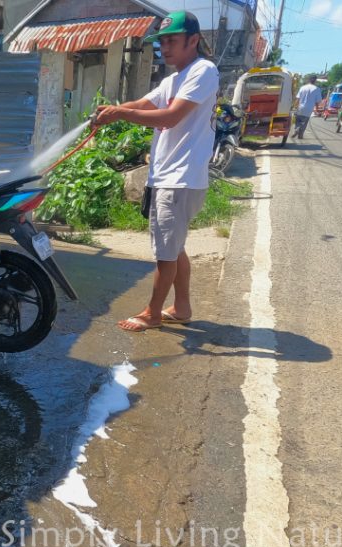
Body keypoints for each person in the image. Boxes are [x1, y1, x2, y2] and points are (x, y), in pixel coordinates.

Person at [93, 11, 219, 332]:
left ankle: (152, 312)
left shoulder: (202, 70)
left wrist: (121, 114)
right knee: (174, 248)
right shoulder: (172, 79)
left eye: (172, 40)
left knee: (165, 251)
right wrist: (113, 110)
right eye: (162, 42)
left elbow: (169, 117)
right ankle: (182, 307)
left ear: (194, 40)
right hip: (171, 177)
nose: (165, 48)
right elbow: (143, 104)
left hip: (179, 178)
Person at [293, 74, 322, 139]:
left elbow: (298, 98)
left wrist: (295, 106)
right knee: (304, 122)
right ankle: (300, 135)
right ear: (315, 80)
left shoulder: (302, 87)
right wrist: (317, 109)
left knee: (298, 120)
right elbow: (317, 101)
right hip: (309, 108)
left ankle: (297, 129)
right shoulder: (317, 89)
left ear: (308, 80)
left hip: (300, 107)